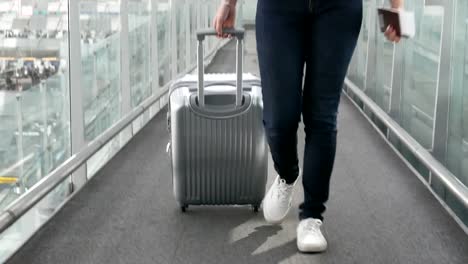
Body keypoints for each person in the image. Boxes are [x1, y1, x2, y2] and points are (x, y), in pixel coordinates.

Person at [213, 0, 403, 253]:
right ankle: (287, 174)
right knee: (280, 119)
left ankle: (312, 217)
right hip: (278, 9)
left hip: (339, 9)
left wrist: (397, 8)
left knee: (322, 115)